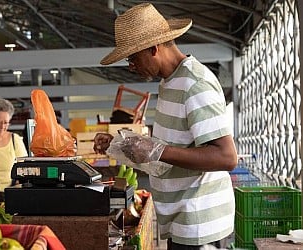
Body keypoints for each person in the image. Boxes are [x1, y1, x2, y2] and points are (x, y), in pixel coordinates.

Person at [93, 3, 238, 249]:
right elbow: (174, 145)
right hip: (179, 217)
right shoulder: (170, 82)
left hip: (198, 220)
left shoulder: (194, 83)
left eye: (132, 57)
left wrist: (158, 150)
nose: (131, 66)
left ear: (153, 48)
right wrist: (120, 145)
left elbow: (226, 157)